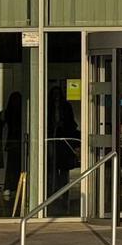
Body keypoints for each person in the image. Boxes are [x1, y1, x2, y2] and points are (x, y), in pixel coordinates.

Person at [46, 87, 80, 216]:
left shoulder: (66, 106)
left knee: (63, 167)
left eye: (57, 94)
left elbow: (71, 123)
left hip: (64, 139)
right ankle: (52, 189)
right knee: (52, 165)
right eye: (54, 93)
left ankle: (63, 190)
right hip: (51, 138)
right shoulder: (48, 106)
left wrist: (63, 125)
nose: (56, 96)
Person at [0, 92, 24, 214]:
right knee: (14, 166)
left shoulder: (12, 113)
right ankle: (11, 186)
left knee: (16, 166)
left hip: (17, 142)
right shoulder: (11, 113)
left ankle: (13, 187)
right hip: (15, 143)